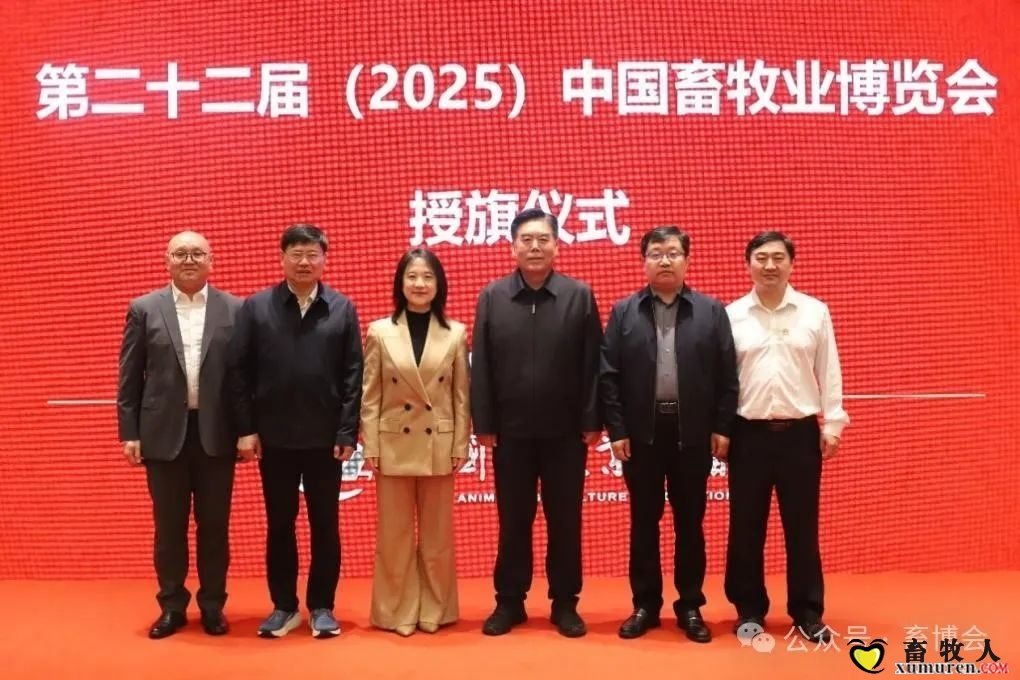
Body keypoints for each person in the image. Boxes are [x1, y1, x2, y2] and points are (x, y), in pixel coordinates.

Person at [599, 226, 738, 643]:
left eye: (673, 253)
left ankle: (690, 605)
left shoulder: (710, 312)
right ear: (643, 261)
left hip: (692, 434)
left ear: (686, 261)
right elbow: (609, 376)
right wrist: (617, 429)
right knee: (644, 522)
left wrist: (722, 426)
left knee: (690, 523)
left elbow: (727, 375)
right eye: (656, 253)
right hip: (641, 435)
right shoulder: (624, 312)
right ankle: (645, 605)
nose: (665, 260)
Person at [470, 208, 603, 638]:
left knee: (565, 521)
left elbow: (593, 364)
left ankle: (565, 603)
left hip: (566, 435)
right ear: (512, 246)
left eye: (543, 239)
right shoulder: (493, 297)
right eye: (526, 239)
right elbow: (481, 365)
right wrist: (484, 423)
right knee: (513, 521)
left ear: (557, 246)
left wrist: (592, 419)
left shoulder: (578, 295)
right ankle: (509, 602)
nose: (534, 247)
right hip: (511, 435)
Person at [227, 223, 364, 639]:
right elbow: (239, 373)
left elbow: (353, 374)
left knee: (326, 525)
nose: (304, 262)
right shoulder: (256, 307)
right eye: (296, 254)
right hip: (275, 438)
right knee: (279, 524)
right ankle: (284, 606)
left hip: (325, 440)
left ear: (324, 259)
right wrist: (246, 429)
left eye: (312, 254)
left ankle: (322, 606)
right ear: (282, 258)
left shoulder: (341, 308)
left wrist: (346, 433)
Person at [724, 231, 849, 644]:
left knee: (802, 528)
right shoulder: (731, 315)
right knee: (745, 527)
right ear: (748, 264)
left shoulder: (814, 312)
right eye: (761, 258)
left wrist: (833, 423)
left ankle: (807, 612)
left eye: (778, 258)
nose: (770, 265)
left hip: (799, 435)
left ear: (791, 264)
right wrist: (719, 429)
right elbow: (722, 380)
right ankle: (749, 610)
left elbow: (829, 369)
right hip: (748, 435)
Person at [116, 231, 242, 639]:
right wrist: (130, 432)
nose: (189, 260)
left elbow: (243, 379)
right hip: (162, 435)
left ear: (212, 260)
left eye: (197, 253)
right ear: (167, 260)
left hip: (216, 435)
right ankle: (172, 607)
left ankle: (213, 606)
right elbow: (130, 375)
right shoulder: (144, 308)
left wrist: (247, 431)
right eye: (180, 253)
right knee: (169, 530)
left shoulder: (235, 308)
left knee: (214, 528)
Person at [360, 248, 470, 637]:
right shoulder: (379, 331)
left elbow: (461, 396)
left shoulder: (456, 332)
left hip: (438, 443)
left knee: (438, 537)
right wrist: (370, 444)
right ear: (400, 283)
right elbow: (370, 394)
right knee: (394, 536)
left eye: (427, 277)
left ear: (439, 284)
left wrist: (460, 444)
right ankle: (396, 612)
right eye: (412, 276)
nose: (419, 284)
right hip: (393, 442)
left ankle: (436, 609)